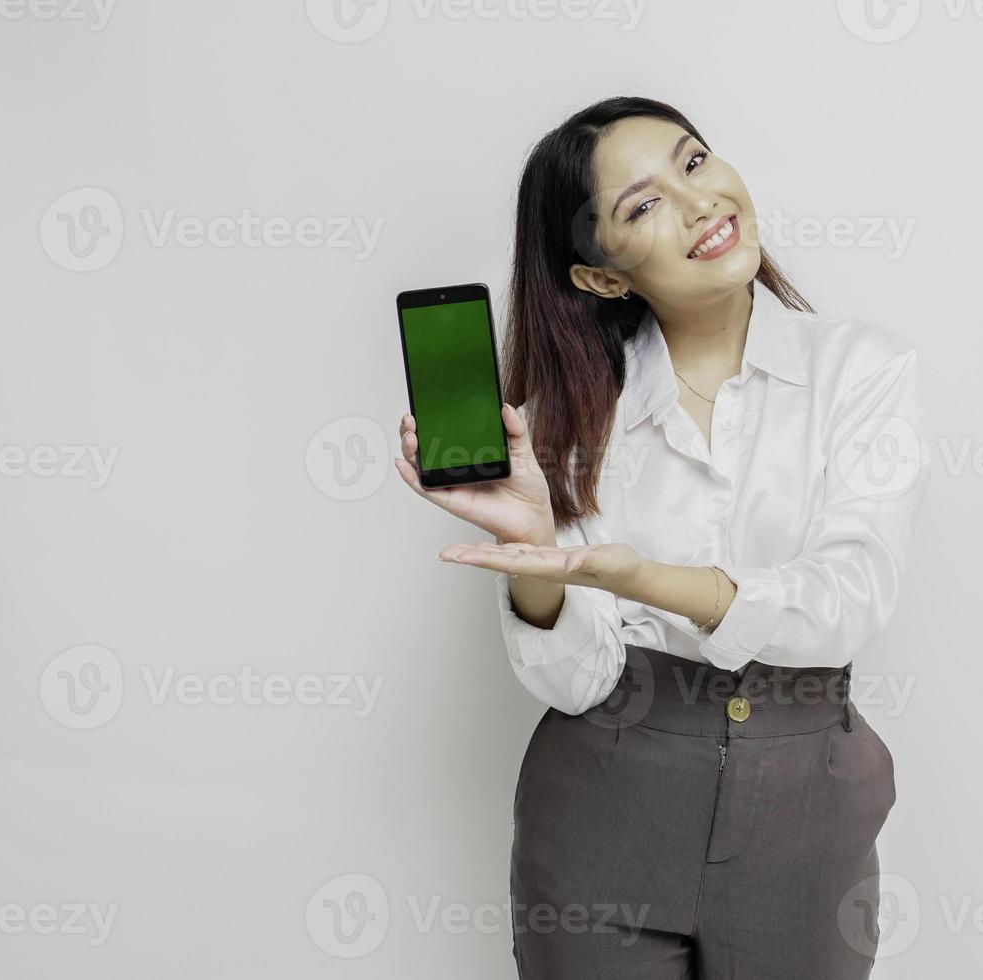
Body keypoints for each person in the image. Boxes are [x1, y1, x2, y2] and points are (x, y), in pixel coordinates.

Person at [395, 95, 929, 979]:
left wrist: (644, 577)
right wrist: (541, 562)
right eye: (642, 205)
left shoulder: (863, 371)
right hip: (603, 807)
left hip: (806, 811)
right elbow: (577, 683)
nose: (698, 204)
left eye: (693, 162)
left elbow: (848, 601)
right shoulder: (566, 422)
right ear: (602, 276)